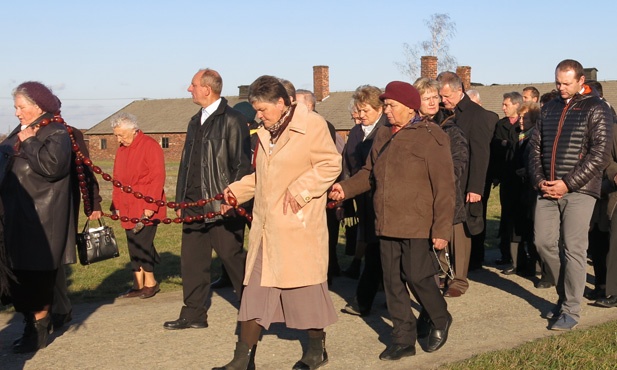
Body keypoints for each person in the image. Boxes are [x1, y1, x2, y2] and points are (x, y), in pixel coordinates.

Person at [213, 75, 341, 370]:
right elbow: (265, 177)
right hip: (267, 231)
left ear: (281, 103)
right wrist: (237, 191)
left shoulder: (312, 125)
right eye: (256, 110)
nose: (258, 116)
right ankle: (242, 359)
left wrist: (301, 191)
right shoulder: (266, 133)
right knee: (254, 294)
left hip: (298, 229)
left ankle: (316, 351)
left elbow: (330, 163)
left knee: (306, 295)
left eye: (262, 110)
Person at [330, 81, 454, 361]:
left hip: (417, 221)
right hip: (385, 222)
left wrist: (442, 228)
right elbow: (368, 173)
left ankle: (440, 316)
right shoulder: (384, 134)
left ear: (410, 108)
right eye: (385, 105)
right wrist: (345, 189)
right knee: (391, 282)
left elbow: (445, 187)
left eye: (391, 106)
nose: (386, 110)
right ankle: (403, 338)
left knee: (417, 277)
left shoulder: (431, 136)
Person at [528, 59, 613, 330]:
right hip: (547, 189)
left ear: (580, 82)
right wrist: (540, 180)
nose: (561, 88)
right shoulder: (549, 108)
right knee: (542, 243)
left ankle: (570, 310)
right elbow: (534, 147)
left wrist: (567, 183)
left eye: (566, 83)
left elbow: (599, 154)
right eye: (557, 82)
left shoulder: (597, 108)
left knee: (574, 249)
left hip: (580, 190)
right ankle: (565, 293)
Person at [164, 68, 251, 330]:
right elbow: (186, 165)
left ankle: (254, 311)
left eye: (192, 85)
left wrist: (232, 198)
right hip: (193, 204)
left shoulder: (233, 120)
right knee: (192, 263)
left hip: (221, 204)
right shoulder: (194, 121)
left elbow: (242, 165)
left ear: (207, 88)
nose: (189, 89)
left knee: (232, 258)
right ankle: (193, 314)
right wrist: (181, 201)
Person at [0, 81, 73, 353]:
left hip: (42, 219)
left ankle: (39, 330)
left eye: (21, 107)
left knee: (37, 279)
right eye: (15, 107)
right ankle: (30, 324)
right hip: (16, 216)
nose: (17, 112)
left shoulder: (55, 132)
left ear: (38, 106)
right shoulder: (19, 132)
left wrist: (29, 140)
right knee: (21, 277)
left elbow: (53, 167)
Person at [437, 71, 497, 294]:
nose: (444, 101)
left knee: (460, 231)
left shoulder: (476, 115)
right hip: (447, 180)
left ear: (459, 91)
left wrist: (475, 188)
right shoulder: (445, 114)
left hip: (466, 183)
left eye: (447, 96)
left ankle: (459, 279)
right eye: (441, 97)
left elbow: (481, 154)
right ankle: (446, 273)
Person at [413, 77, 468, 296]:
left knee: (455, 233)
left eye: (435, 97)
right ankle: (440, 274)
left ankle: (459, 280)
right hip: (420, 193)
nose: (433, 102)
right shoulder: (411, 127)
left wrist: (442, 180)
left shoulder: (450, 126)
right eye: (427, 98)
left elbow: (460, 159)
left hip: (447, 189)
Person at [339, 85, 385, 316]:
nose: (361, 115)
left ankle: (364, 299)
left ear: (379, 109)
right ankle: (373, 296)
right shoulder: (358, 131)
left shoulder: (386, 130)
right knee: (374, 247)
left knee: (379, 249)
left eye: (365, 110)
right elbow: (349, 161)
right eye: (359, 110)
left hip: (383, 198)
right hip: (363, 196)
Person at [52, 128, 103, 329]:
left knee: (54, 261)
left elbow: (86, 171)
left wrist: (93, 203)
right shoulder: (19, 134)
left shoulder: (70, 134)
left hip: (60, 208)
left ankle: (59, 308)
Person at [110, 112, 165, 299]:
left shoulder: (150, 146)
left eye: (121, 135)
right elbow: (117, 178)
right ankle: (137, 283)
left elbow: (158, 177)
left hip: (145, 204)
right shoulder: (121, 149)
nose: (118, 139)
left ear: (133, 131)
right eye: (116, 135)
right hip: (127, 205)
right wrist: (117, 204)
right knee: (132, 244)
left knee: (143, 243)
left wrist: (151, 205)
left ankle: (151, 282)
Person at [296, 88, 343, 286]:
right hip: (302, 188)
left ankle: (326, 273)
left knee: (325, 235)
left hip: (320, 188)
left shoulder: (321, 125)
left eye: (295, 104)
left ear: (308, 105)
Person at [492, 92, 524, 274]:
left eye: (506, 104)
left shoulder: (524, 124)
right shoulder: (501, 124)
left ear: (516, 105)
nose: (503, 108)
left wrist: (507, 144)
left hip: (520, 177)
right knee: (506, 216)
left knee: (519, 217)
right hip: (506, 177)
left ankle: (519, 257)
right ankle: (506, 254)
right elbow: (496, 147)